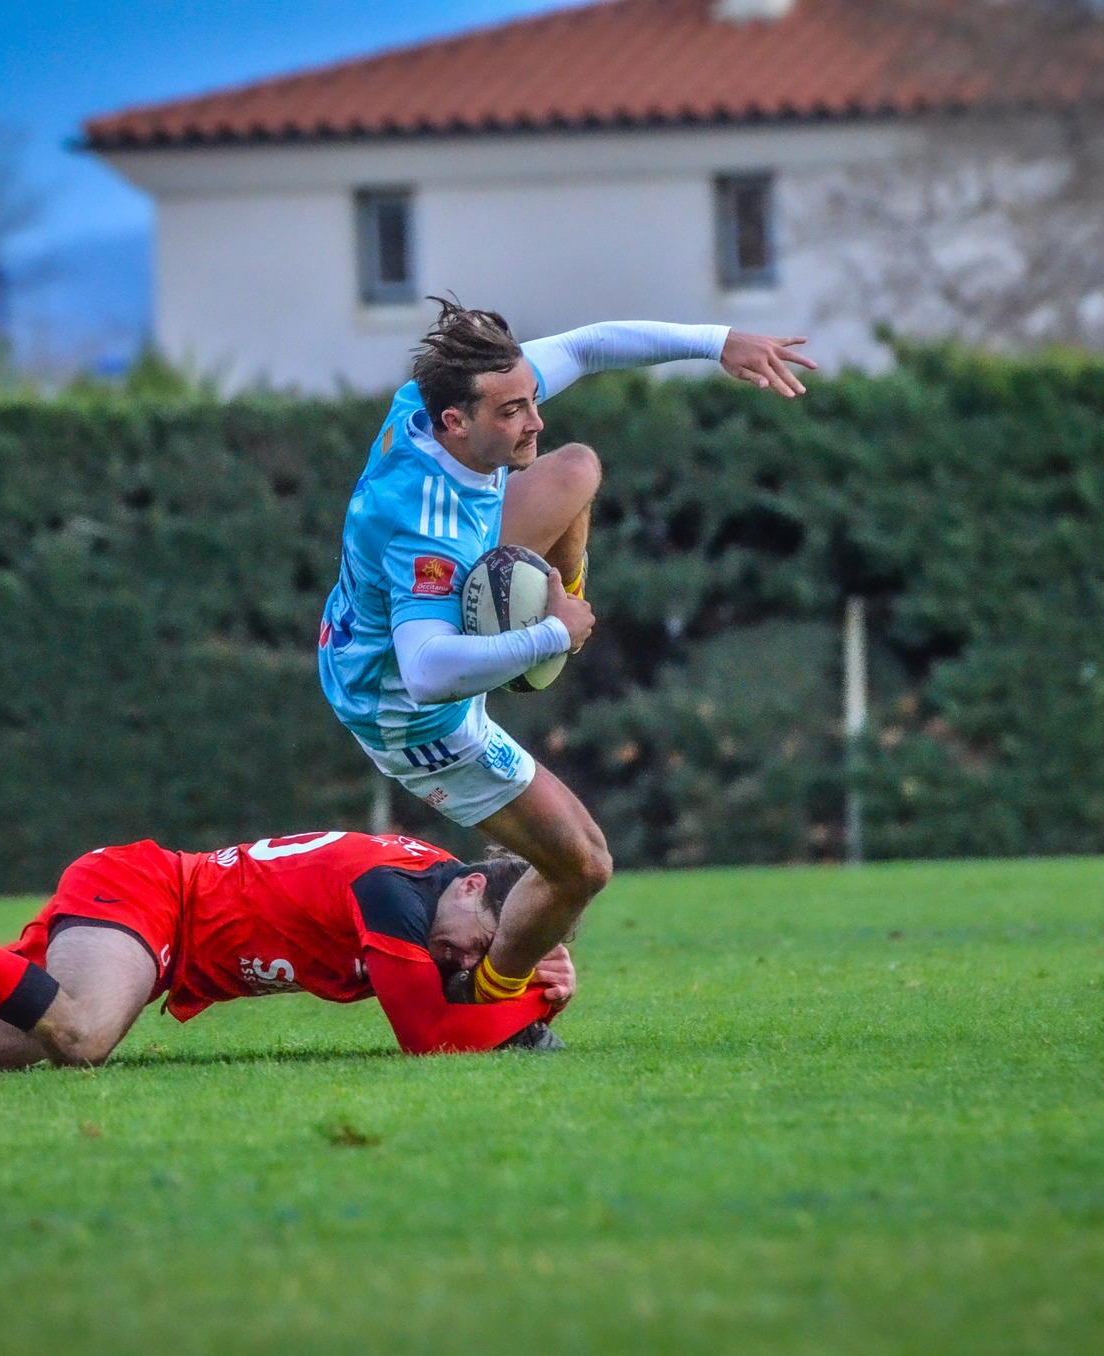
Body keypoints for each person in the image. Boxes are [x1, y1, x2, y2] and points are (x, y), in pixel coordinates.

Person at [318, 299, 812, 1007]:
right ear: (456, 422)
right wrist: (552, 636)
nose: (534, 420)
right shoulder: (424, 529)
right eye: (513, 413)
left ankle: (550, 604)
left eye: (529, 399)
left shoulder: (435, 404)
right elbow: (428, 673)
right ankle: (487, 1002)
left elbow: (588, 345)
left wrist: (721, 341)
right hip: (406, 713)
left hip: (399, 636)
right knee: (583, 864)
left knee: (574, 467)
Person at [0, 830, 575, 1070]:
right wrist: (529, 1002)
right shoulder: (395, 895)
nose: (465, 964)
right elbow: (429, 1037)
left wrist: (521, 974)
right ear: (465, 886)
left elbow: (456, 1004)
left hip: (157, 937)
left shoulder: (430, 895)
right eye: (478, 949)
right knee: (87, 1035)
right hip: (149, 897)